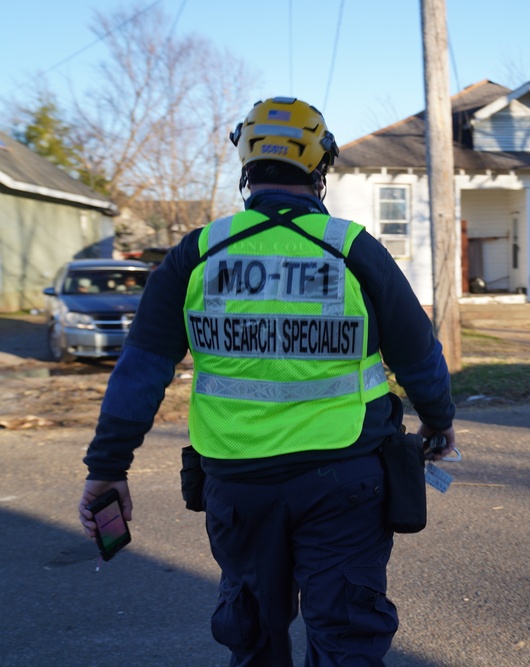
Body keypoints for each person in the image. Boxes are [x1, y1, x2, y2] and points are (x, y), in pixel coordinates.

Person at [78, 96, 456, 666]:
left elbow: (141, 372)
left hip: (237, 483)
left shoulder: (197, 254)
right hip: (347, 479)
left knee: (252, 633)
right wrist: (439, 420)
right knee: (347, 635)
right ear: (319, 167)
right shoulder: (352, 249)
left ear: (246, 164)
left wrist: (108, 469)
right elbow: (419, 355)